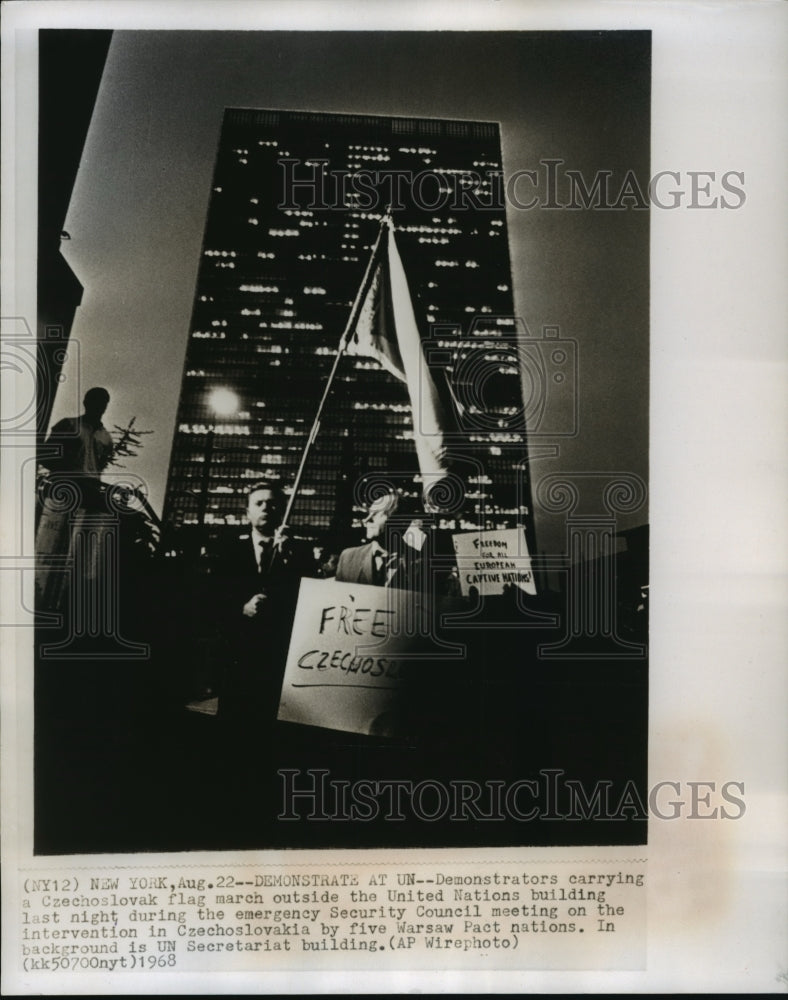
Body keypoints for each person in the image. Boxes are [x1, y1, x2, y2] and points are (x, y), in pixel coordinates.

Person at [213, 481, 309, 728]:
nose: (266, 507)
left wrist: (288, 556)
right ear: (248, 512)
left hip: (280, 660)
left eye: (273, 503)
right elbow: (210, 598)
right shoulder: (226, 548)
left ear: (283, 510)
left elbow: (308, 598)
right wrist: (241, 608)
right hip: (237, 657)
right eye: (259, 503)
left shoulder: (299, 550)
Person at [35, 387, 114, 612]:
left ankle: (67, 602)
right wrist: (67, 468)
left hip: (89, 493)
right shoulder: (68, 425)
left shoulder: (106, 437)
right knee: (51, 547)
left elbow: (100, 466)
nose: (99, 405)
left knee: (81, 551)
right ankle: (44, 601)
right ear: (86, 402)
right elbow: (46, 456)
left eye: (103, 402)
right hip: (65, 490)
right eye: (95, 400)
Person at [335, 489, 426, 589]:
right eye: (368, 513)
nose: (366, 520)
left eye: (375, 514)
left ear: (398, 521)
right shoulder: (348, 558)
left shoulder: (422, 566)